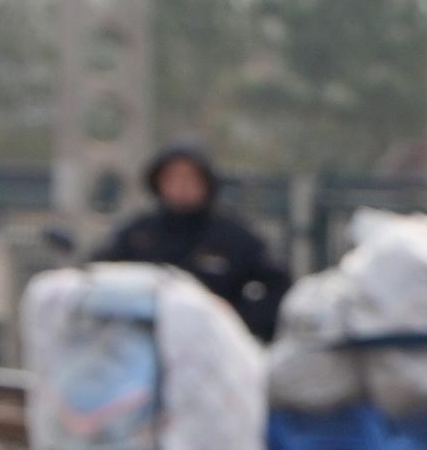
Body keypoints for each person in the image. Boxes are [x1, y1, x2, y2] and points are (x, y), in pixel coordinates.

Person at [100, 142, 287, 338]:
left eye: (190, 177)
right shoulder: (137, 234)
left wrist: (238, 318)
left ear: (206, 182)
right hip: (145, 338)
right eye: (172, 177)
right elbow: (99, 273)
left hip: (212, 343)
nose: (181, 185)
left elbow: (277, 283)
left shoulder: (233, 236)